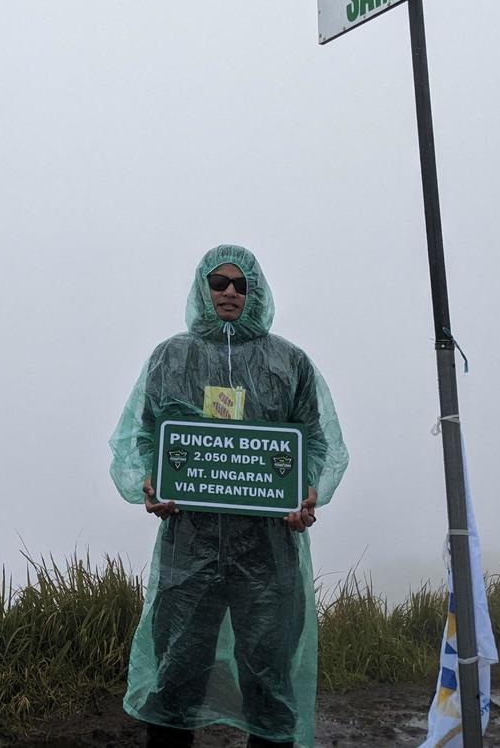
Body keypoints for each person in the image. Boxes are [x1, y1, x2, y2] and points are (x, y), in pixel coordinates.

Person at [109, 244, 348, 748]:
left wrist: (307, 491)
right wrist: (150, 482)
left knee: (268, 679)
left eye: (240, 284)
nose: (230, 292)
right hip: (189, 551)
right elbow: (142, 438)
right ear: (204, 288)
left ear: (254, 291)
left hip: (268, 554)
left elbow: (318, 442)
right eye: (220, 282)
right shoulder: (172, 357)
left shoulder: (289, 362)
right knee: (177, 675)